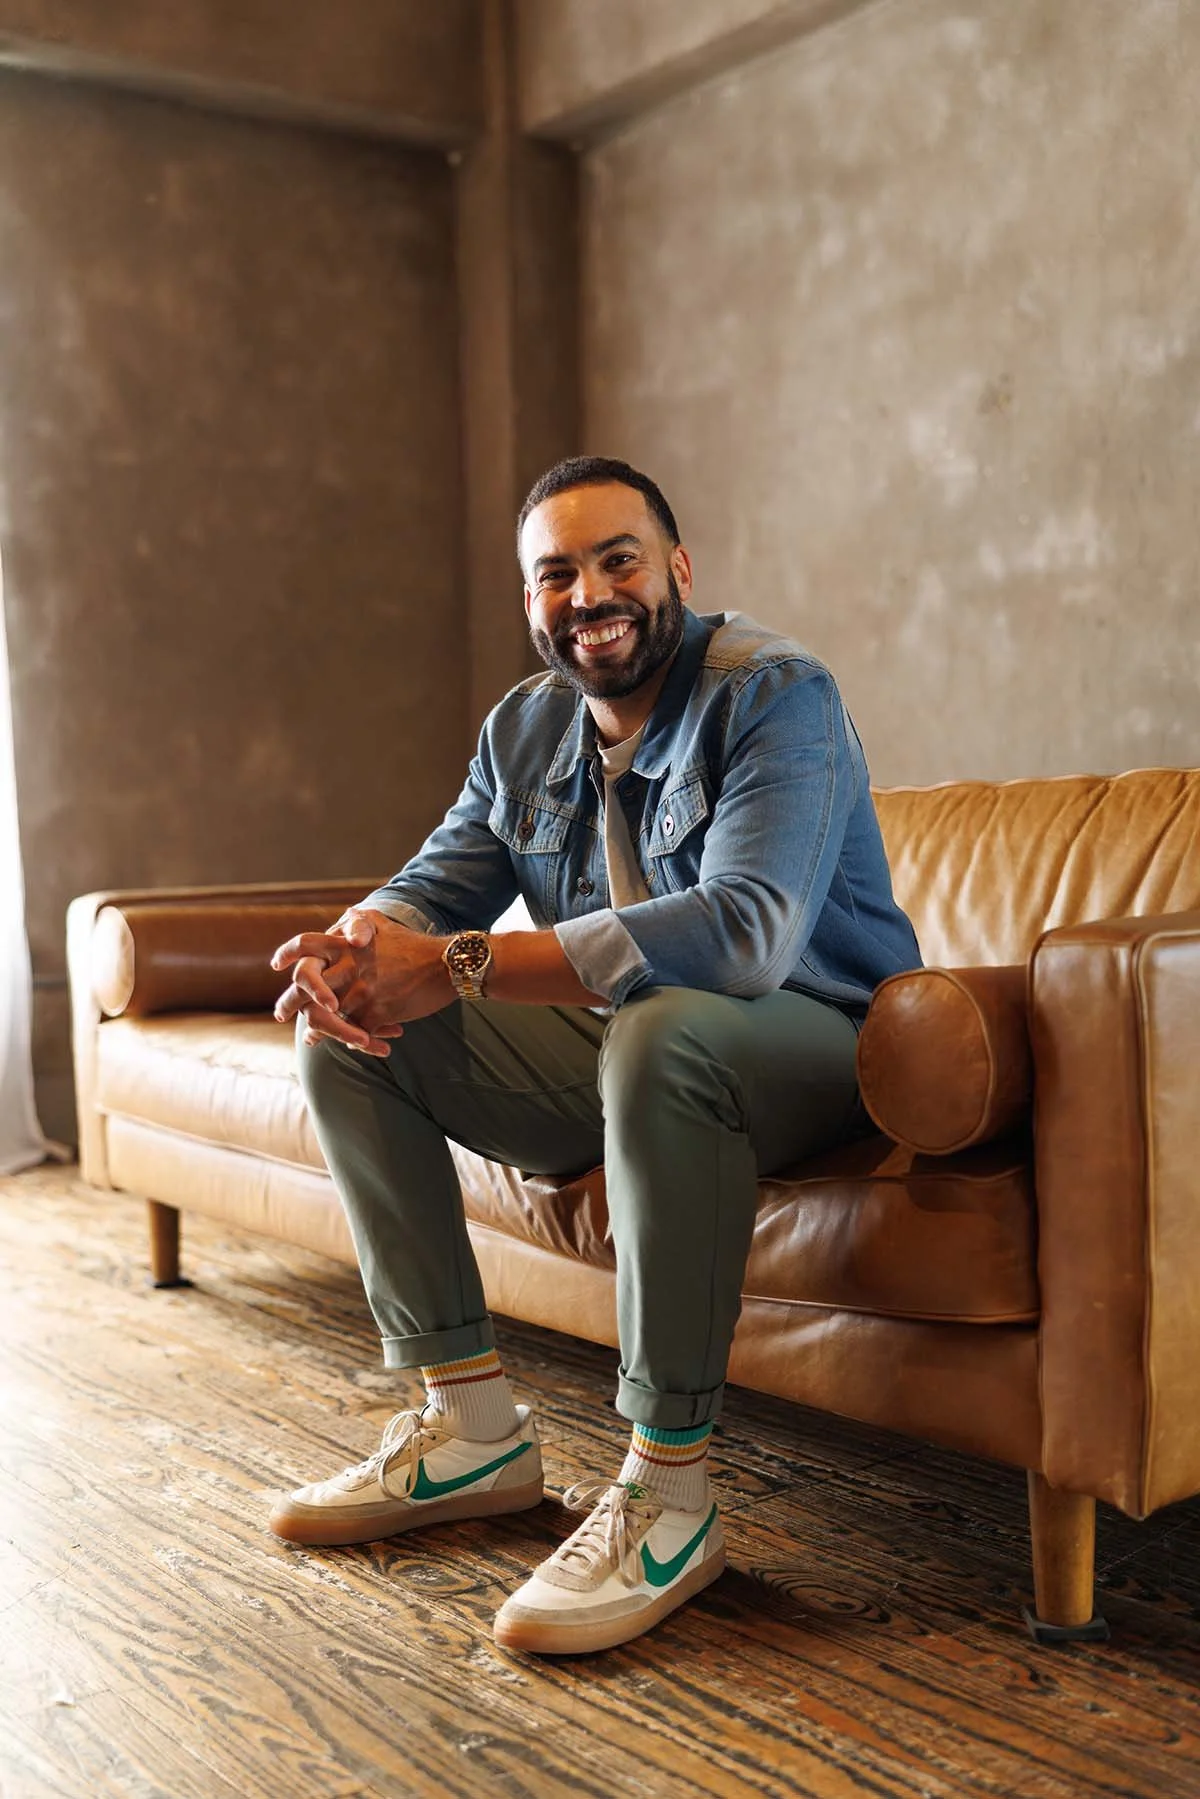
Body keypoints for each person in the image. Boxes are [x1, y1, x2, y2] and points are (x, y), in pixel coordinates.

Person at [268, 456, 921, 1656]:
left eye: (618, 557)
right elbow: (432, 885)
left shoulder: (777, 692)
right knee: (355, 1034)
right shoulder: (522, 729)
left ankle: (669, 1491)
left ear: (678, 568)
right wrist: (354, 948)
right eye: (554, 573)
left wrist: (454, 962)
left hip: (826, 1041)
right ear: (530, 603)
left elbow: (744, 934)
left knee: (665, 1031)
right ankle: (469, 1430)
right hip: (629, 1054)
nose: (589, 591)